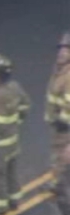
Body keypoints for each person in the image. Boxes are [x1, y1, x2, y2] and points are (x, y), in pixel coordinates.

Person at [0, 52, 30, 215]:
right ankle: (14, 199)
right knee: (11, 171)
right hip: (13, 142)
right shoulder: (15, 87)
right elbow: (26, 105)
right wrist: (17, 122)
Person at [47, 33, 70, 167]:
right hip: (58, 127)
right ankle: (61, 184)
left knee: (64, 161)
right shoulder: (59, 71)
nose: (61, 53)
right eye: (60, 49)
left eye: (66, 50)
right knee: (59, 161)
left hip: (65, 129)